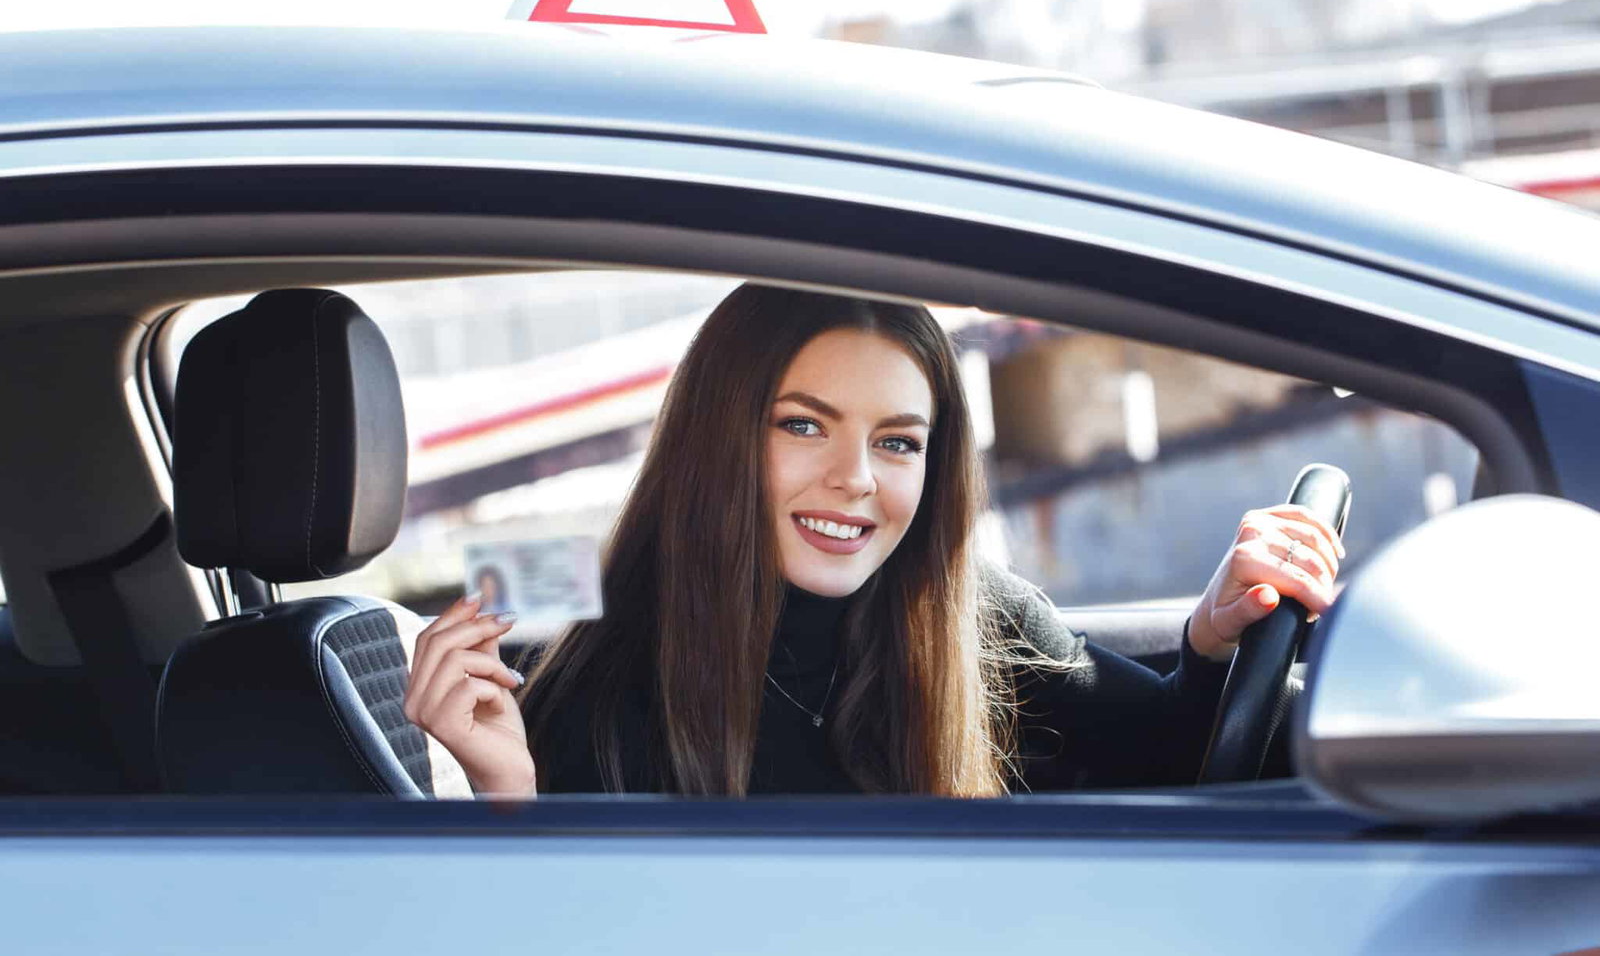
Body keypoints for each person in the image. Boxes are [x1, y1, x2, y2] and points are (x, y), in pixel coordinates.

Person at [402, 285, 1344, 797]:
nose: (855, 477)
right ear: (718, 440)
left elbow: (1171, 759)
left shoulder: (970, 617)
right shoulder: (601, 678)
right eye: (803, 425)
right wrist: (509, 802)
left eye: (897, 442)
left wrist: (1212, 635)